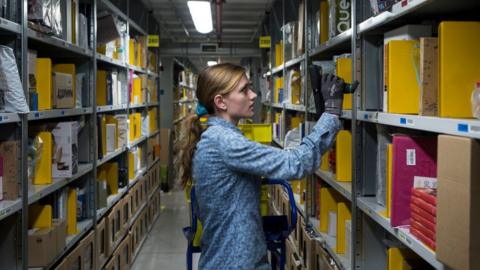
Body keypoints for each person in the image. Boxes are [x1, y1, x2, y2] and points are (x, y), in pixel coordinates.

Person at [175, 63, 343, 270]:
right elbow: (295, 163)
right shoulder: (226, 142)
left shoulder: (216, 137)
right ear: (221, 102)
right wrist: (331, 114)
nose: (253, 95)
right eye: (244, 90)